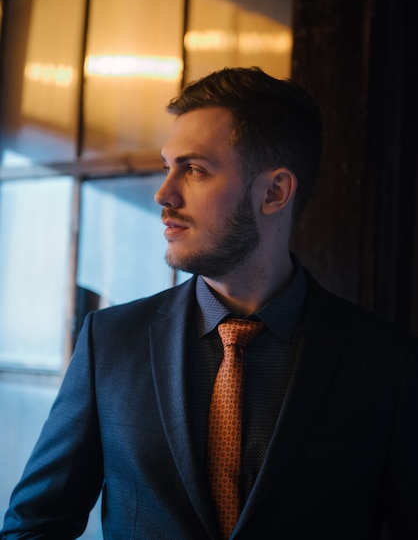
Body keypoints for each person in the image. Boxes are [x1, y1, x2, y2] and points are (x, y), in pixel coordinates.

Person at [1, 67, 417, 540]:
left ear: (274, 192)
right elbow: (33, 527)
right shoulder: (110, 343)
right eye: (167, 166)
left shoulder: (387, 362)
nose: (163, 194)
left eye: (195, 169)